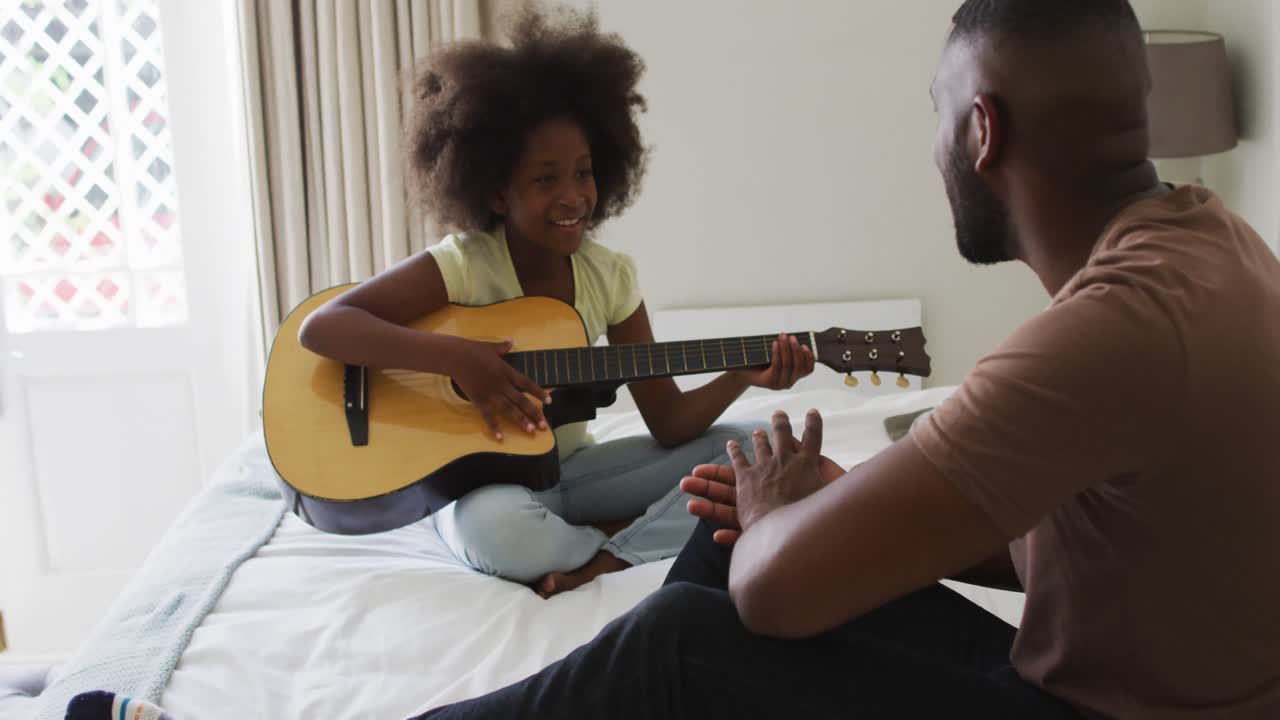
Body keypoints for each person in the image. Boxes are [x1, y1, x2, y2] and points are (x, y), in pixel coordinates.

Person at [409, 0, 1280, 716]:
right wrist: (833, 501)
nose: (934, 144)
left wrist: (788, 518)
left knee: (689, 631)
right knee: (727, 540)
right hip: (1114, 676)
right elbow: (1078, 541)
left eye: (935, 112)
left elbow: (775, 596)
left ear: (982, 129)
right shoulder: (1216, 248)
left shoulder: (1101, 334)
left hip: (1093, 706)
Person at [297, 6, 812, 598]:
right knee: (500, 535)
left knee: (761, 452)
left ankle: (609, 557)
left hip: (570, 472)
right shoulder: (464, 264)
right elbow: (325, 328)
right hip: (474, 486)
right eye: (545, 180)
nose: (573, 197)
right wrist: (458, 359)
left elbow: (668, 423)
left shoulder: (609, 277)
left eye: (584, 174)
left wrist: (738, 377)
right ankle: (619, 538)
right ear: (495, 189)